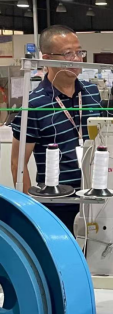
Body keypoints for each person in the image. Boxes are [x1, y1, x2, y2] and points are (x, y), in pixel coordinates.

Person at [10, 25, 102, 234]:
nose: (77, 59)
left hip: (95, 198)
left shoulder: (92, 92)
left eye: (79, 52)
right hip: (56, 204)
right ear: (47, 58)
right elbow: (17, 163)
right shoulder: (34, 105)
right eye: (68, 54)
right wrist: (32, 213)